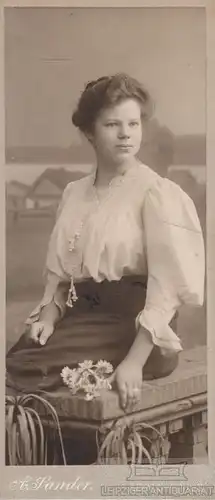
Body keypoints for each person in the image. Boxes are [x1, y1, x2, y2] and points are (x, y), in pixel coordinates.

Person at [6, 73, 205, 414]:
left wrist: (133, 362)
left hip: (137, 327)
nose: (126, 133)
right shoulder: (73, 194)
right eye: (112, 124)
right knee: (20, 355)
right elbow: (62, 277)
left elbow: (166, 289)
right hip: (84, 319)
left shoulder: (156, 193)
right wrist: (49, 318)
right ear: (89, 132)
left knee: (30, 369)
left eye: (133, 123)